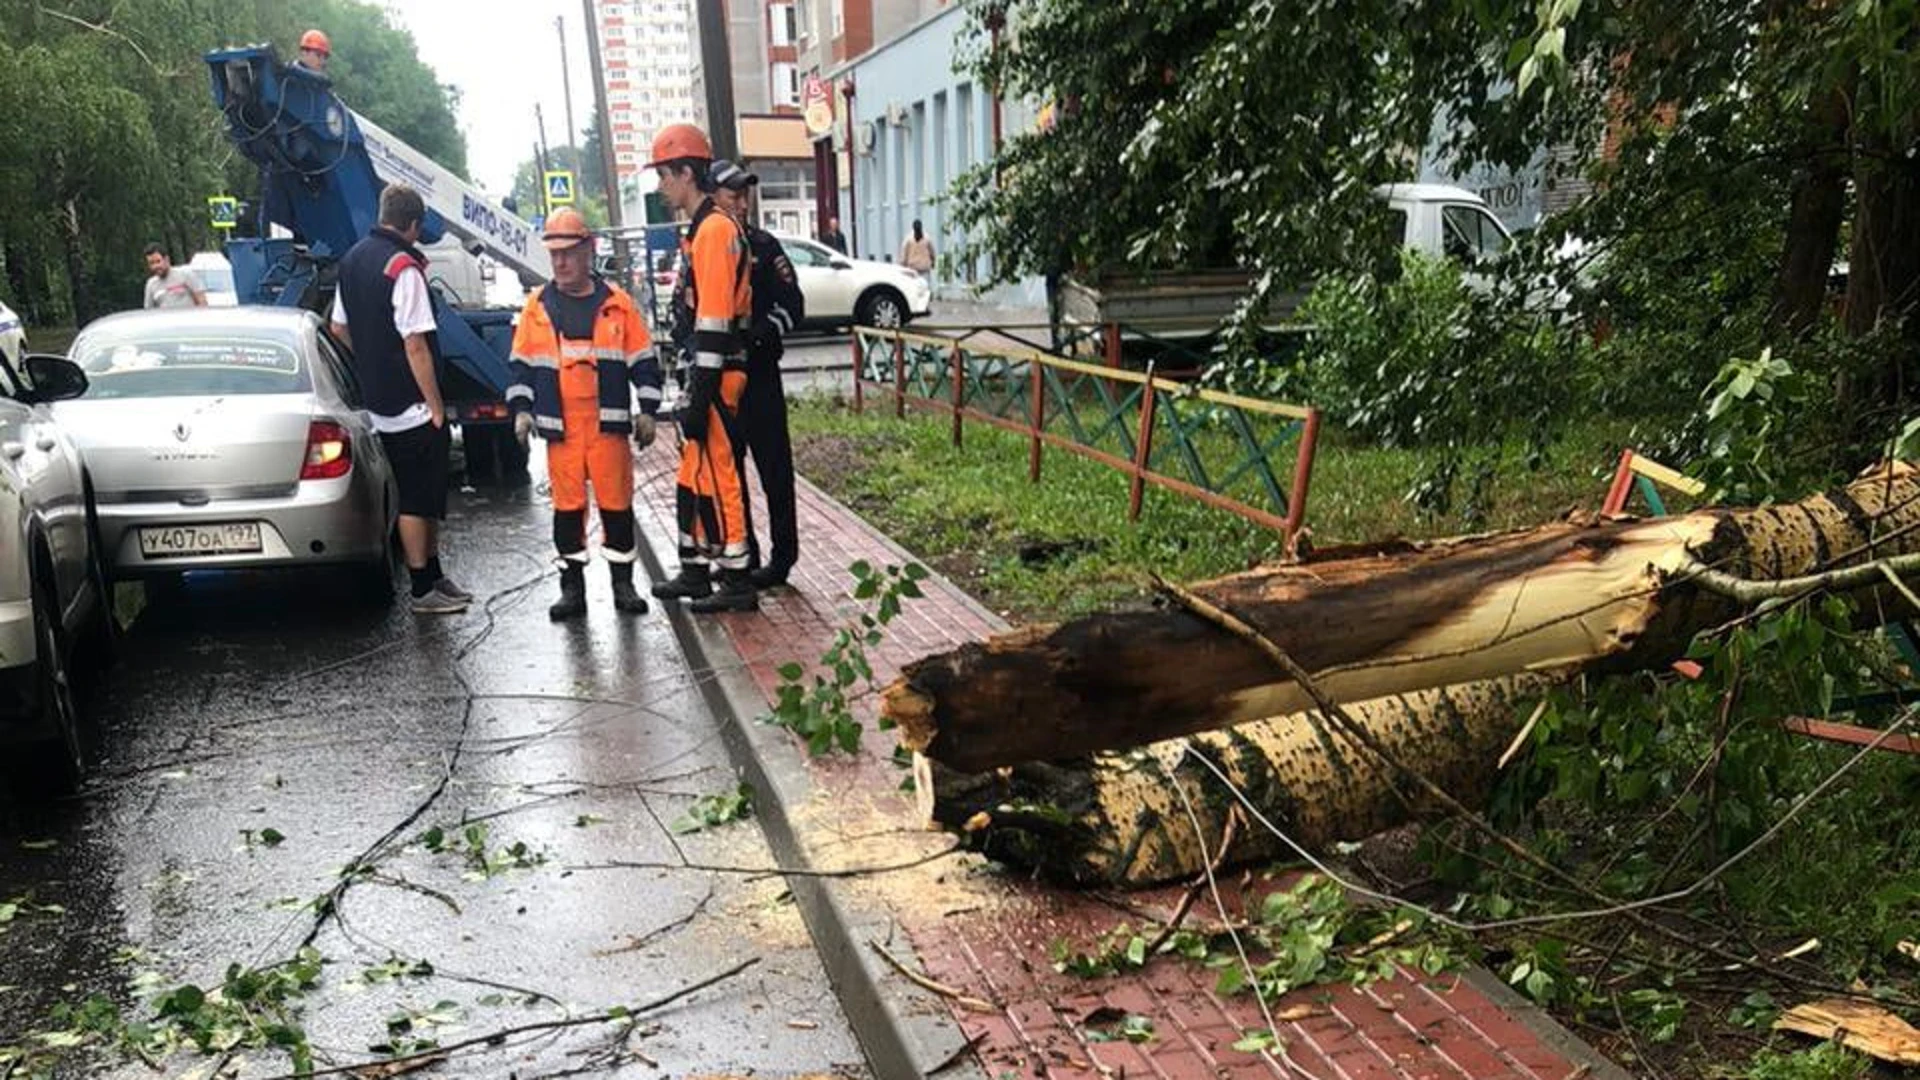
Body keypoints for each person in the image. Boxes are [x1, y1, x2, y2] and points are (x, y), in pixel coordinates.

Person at [506, 207, 663, 621]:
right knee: (567, 512)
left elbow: (643, 361)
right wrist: (521, 410)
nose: (559, 262)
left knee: (617, 508)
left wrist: (647, 410)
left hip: (607, 426)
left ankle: (622, 585)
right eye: (553, 254)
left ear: (589, 251)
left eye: (568, 253)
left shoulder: (618, 305)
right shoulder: (536, 307)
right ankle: (571, 590)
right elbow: (520, 365)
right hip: (562, 430)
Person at [329, 184, 469, 614]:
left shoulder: (351, 261)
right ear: (413, 225)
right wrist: (436, 407)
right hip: (412, 407)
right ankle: (423, 589)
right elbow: (416, 345)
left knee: (422, 493)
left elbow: (337, 328)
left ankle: (435, 575)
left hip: (380, 403)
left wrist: (371, 362)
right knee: (416, 497)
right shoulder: (402, 268)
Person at [646, 123, 758, 614]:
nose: (660, 186)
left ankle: (736, 580)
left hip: (716, 372)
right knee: (694, 473)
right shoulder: (704, 230)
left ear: (686, 173)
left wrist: (702, 389)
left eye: (665, 175)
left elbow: (713, 319)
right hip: (707, 370)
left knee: (720, 474)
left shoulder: (713, 232)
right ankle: (695, 568)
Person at [711, 160, 804, 588]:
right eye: (733, 196)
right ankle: (742, 552)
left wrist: (762, 337)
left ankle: (782, 559)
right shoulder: (703, 248)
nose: (742, 204)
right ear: (714, 198)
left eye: (745, 196)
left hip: (761, 376)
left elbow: (794, 305)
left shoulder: (764, 247)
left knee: (775, 472)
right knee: (730, 475)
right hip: (721, 380)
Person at [142, 245, 206, 309]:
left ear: (167, 259)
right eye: (151, 263)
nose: (155, 266)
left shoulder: (185, 274)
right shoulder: (151, 285)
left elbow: (202, 302)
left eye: (158, 261)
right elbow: (149, 311)